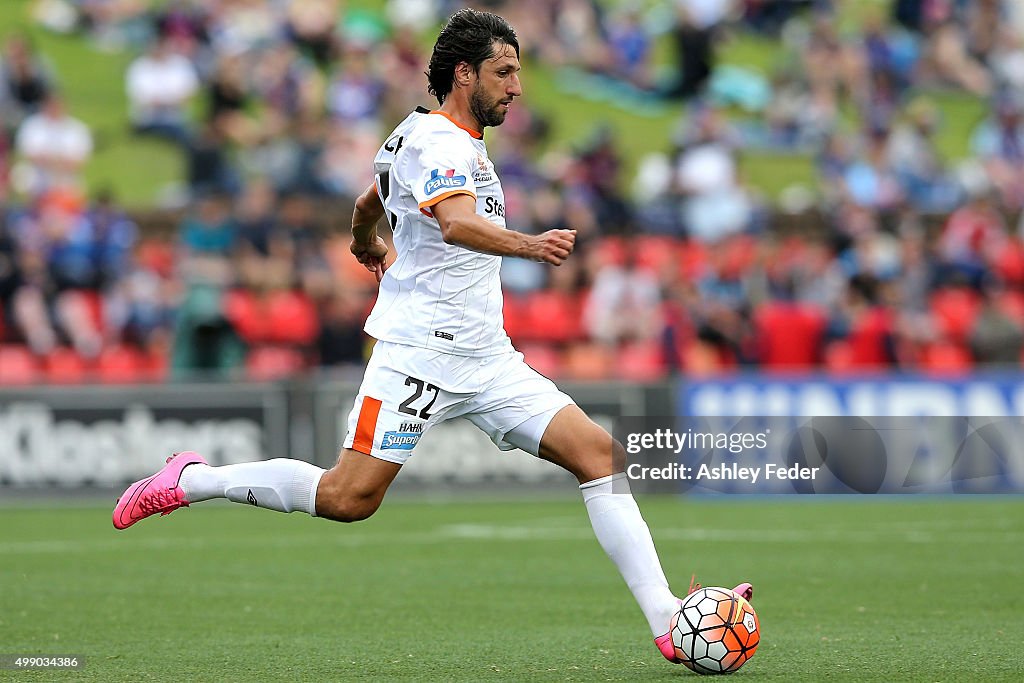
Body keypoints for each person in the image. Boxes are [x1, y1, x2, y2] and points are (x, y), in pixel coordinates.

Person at [112, 8, 751, 664]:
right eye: (504, 72)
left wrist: (368, 240)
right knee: (346, 497)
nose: (517, 87)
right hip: (420, 352)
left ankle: (668, 618)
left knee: (600, 457)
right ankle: (192, 479)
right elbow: (454, 224)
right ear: (465, 73)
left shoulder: (422, 139)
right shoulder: (441, 143)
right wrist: (531, 244)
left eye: (519, 73)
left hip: (488, 357)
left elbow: (371, 200)